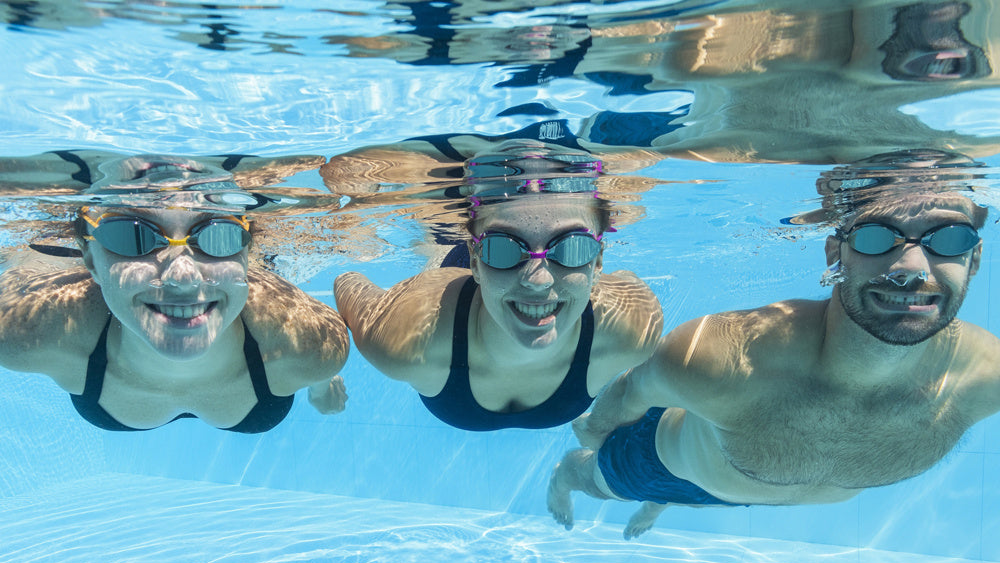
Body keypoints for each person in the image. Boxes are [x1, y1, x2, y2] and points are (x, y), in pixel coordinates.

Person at [548, 150, 1000, 538]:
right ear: (835, 254)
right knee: (595, 480)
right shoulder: (723, 359)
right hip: (663, 465)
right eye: (875, 236)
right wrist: (594, 435)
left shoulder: (985, 378)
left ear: (974, 258)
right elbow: (630, 391)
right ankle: (567, 478)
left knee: (697, 489)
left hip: (736, 477)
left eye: (950, 239)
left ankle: (660, 505)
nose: (912, 268)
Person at [0, 156, 350, 432]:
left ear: (246, 253)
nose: (183, 277)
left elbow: (317, 363)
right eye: (131, 236)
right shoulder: (25, 329)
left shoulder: (310, 345)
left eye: (220, 235)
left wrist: (321, 384)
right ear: (89, 258)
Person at [333, 141, 663, 431]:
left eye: (572, 248)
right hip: (449, 282)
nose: (538, 279)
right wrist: (325, 373)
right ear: (475, 262)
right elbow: (347, 282)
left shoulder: (632, 330)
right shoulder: (408, 340)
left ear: (598, 261)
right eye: (503, 247)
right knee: (441, 251)